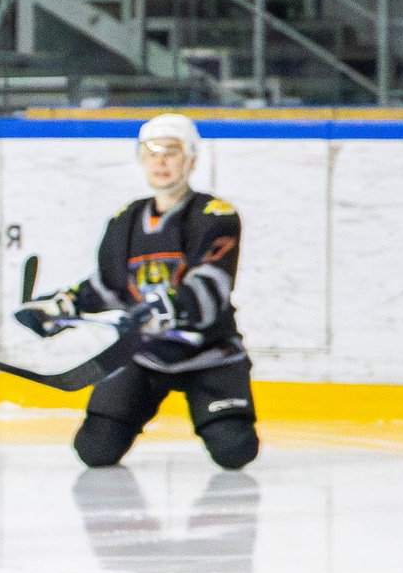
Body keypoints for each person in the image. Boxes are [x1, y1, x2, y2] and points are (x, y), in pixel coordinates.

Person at [14, 113, 256, 471]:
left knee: (235, 449)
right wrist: (58, 308)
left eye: (171, 151)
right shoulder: (124, 220)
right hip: (144, 355)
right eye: (151, 151)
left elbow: (211, 287)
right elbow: (108, 288)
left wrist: (165, 306)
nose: (161, 160)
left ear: (191, 158)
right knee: (94, 450)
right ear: (141, 158)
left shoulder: (215, 215)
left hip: (208, 354)